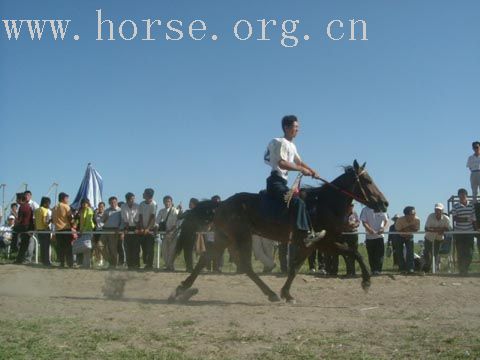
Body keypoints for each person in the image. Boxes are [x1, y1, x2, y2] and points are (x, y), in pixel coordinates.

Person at [263, 115, 325, 248]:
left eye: (298, 127)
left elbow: (299, 162)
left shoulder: (292, 145)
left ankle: (308, 232)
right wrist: (301, 170)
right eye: (295, 127)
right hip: (275, 182)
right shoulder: (280, 142)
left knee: (300, 200)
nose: (298, 130)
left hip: (282, 182)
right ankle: (304, 235)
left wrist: (313, 171)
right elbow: (282, 163)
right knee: (297, 201)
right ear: (286, 128)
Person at [452, 188, 477, 275]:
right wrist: (466, 219)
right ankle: (462, 270)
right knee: (460, 252)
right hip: (459, 232)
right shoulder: (455, 206)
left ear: (466, 195)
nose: (462, 196)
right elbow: (455, 218)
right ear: (458, 196)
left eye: (463, 194)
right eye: (460, 195)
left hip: (469, 232)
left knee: (469, 252)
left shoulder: (471, 205)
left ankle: (465, 268)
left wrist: (476, 230)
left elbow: (474, 219)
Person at [360, 206, 388, 275]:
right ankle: (373, 270)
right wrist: (369, 229)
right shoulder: (365, 209)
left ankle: (378, 270)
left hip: (380, 236)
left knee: (380, 255)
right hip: (369, 237)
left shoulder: (381, 208)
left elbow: (386, 221)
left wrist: (383, 228)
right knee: (371, 254)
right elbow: (364, 222)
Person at [424, 203, 451, 273]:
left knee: (435, 254)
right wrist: (439, 229)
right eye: (436, 210)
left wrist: (437, 229)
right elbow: (426, 228)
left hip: (439, 239)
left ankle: (434, 269)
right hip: (429, 238)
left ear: (442, 210)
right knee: (427, 253)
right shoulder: (430, 216)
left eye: (439, 210)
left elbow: (448, 229)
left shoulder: (446, 218)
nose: (437, 211)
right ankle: (427, 267)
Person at [175, 197, 199, 272]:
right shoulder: (187, 212)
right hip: (184, 234)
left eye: (190, 203)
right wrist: (179, 210)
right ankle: (188, 267)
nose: (189, 204)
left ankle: (191, 267)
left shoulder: (198, 213)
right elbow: (179, 217)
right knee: (186, 251)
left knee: (190, 251)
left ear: (194, 204)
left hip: (192, 234)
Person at [395, 206, 421, 274]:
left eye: (415, 213)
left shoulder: (417, 219)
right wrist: (409, 228)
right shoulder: (399, 220)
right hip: (399, 236)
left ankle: (410, 268)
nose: (414, 215)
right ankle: (401, 268)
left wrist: (406, 230)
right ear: (406, 215)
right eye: (412, 214)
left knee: (410, 252)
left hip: (410, 236)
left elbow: (416, 229)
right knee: (399, 251)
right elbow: (398, 231)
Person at [157, 195, 180, 271]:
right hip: (165, 233)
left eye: (169, 201)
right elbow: (157, 222)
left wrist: (171, 231)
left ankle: (171, 266)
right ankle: (167, 266)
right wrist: (156, 228)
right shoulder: (161, 211)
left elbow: (177, 223)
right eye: (166, 201)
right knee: (164, 251)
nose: (167, 203)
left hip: (174, 233)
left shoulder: (175, 210)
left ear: (171, 202)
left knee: (172, 251)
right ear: (163, 202)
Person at [52, 192, 73, 268]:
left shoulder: (54, 207)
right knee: (68, 247)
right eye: (67, 198)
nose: (68, 200)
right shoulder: (66, 206)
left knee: (60, 247)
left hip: (57, 230)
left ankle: (62, 262)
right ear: (63, 198)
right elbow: (70, 217)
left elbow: (53, 220)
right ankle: (70, 263)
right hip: (66, 229)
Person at [138, 188, 157, 270]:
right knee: (144, 247)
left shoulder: (154, 204)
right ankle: (146, 263)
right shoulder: (141, 204)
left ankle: (150, 264)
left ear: (148, 195)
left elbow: (152, 217)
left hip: (151, 229)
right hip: (143, 228)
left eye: (144, 193)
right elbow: (140, 216)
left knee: (150, 248)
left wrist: (148, 228)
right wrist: (142, 227)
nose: (143, 194)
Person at [73, 198, 95, 268]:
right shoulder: (81, 211)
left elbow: (88, 221)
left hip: (88, 230)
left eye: (85, 203)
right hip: (82, 231)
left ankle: (87, 264)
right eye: (83, 203)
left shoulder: (89, 210)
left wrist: (83, 230)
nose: (84, 205)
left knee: (87, 247)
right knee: (85, 248)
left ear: (88, 204)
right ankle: (86, 264)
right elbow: (78, 220)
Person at [101, 196, 122, 268]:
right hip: (105, 229)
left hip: (114, 230)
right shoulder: (106, 210)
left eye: (114, 202)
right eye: (111, 202)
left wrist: (119, 230)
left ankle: (114, 265)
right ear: (109, 203)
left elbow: (122, 222)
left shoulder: (120, 211)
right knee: (100, 245)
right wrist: (105, 218)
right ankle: (110, 261)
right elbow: (102, 221)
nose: (113, 203)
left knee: (113, 248)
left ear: (116, 202)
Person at [121, 192, 140, 269]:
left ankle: (136, 264)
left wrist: (137, 228)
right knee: (127, 247)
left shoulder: (137, 206)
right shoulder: (123, 206)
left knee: (136, 248)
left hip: (136, 227)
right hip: (127, 227)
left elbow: (138, 218)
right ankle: (130, 265)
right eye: (131, 199)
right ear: (127, 199)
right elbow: (125, 218)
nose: (133, 200)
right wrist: (126, 229)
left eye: (133, 198)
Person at [14, 194, 34, 264]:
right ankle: (20, 259)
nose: (16, 200)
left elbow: (19, 220)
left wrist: (15, 218)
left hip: (24, 227)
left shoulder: (21, 207)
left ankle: (18, 256)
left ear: (20, 199)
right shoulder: (28, 206)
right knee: (24, 245)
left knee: (22, 243)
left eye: (17, 199)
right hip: (29, 227)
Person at [342, 203, 360, 276]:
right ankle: (348, 271)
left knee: (354, 253)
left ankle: (353, 271)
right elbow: (341, 223)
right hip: (346, 235)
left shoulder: (355, 213)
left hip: (354, 234)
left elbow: (358, 222)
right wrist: (348, 224)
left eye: (352, 205)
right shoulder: (343, 213)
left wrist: (355, 225)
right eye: (350, 205)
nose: (351, 206)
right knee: (347, 253)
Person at [34, 197, 52, 266]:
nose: (49, 205)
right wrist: (50, 221)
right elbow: (44, 222)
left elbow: (35, 220)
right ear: (45, 203)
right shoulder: (45, 210)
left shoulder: (36, 210)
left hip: (39, 230)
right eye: (48, 203)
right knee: (46, 246)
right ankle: (46, 261)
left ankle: (43, 260)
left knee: (42, 246)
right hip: (45, 230)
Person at [93, 202, 106, 266]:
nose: (100, 208)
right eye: (99, 206)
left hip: (103, 231)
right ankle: (98, 259)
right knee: (96, 247)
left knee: (100, 246)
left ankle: (101, 260)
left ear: (104, 207)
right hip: (97, 231)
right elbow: (94, 222)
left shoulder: (106, 214)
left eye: (102, 206)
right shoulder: (95, 214)